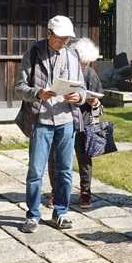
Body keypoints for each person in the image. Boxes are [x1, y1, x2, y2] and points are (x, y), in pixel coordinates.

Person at [14, 15, 85, 233]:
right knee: (36, 171)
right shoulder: (34, 53)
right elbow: (19, 87)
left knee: (65, 170)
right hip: (41, 120)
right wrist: (38, 93)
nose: (64, 42)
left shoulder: (72, 55)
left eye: (67, 38)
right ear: (49, 34)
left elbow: (82, 88)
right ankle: (32, 215)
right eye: (60, 38)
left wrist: (79, 97)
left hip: (66, 120)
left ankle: (61, 213)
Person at [48, 37, 103, 210]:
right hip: (61, 117)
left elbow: (99, 101)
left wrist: (95, 102)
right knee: (56, 157)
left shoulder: (90, 73)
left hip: (83, 121)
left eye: (87, 63)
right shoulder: (61, 68)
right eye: (82, 62)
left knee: (84, 158)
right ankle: (56, 192)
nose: (84, 66)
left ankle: (85, 192)